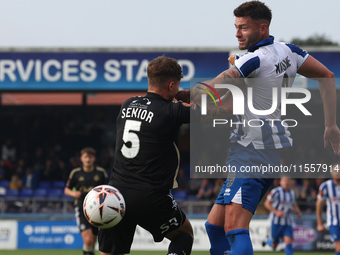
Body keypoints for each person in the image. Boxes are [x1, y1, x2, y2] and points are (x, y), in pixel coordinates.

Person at [176, 1, 340, 254]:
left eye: (243, 27)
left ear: (262, 28)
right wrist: (331, 125)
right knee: (214, 225)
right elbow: (327, 76)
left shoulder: (253, 60)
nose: (237, 33)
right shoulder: (289, 51)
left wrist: (174, 93)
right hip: (261, 150)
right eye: (236, 27)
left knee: (233, 227)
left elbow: (214, 88)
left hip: (252, 151)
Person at [98, 56, 198, 255]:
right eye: (177, 86)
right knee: (184, 234)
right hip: (149, 195)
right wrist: (192, 95)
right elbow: (217, 109)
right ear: (171, 85)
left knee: (109, 252)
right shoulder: (171, 111)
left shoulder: (127, 105)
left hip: (116, 193)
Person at [64, 147, 108, 255]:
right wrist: (74, 193)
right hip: (81, 208)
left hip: (97, 210)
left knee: (92, 243)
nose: (88, 159)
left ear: (94, 158)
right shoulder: (76, 173)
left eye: (90, 157)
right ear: (81, 159)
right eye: (85, 157)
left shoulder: (101, 173)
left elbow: (108, 189)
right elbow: (66, 189)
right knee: (87, 240)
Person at [264, 177, 302, 254]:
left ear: (290, 182)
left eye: (288, 181)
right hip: (276, 222)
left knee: (289, 243)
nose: (286, 182)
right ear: (280, 182)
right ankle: (268, 240)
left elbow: (293, 204)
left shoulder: (292, 193)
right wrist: (276, 212)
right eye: (284, 181)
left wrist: (298, 211)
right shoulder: (276, 191)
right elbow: (266, 204)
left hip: (287, 222)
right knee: (274, 245)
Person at [316, 164, 340, 255]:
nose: (337, 172)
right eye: (335, 170)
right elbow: (319, 204)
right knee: (339, 246)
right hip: (334, 221)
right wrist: (319, 223)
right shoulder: (325, 186)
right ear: (331, 172)